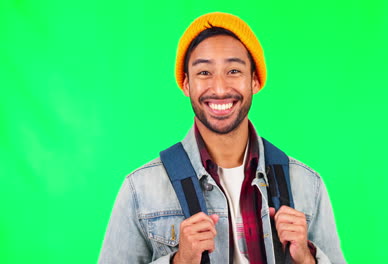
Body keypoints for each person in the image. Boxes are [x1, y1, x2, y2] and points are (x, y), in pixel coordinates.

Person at [98, 12, 346, 264]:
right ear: (186, 84)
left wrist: (308, 259)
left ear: (255, 80)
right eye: (204, 72)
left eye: (234, 70)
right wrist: (179, 261)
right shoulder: (140, 189)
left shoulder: (307, 185)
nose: (219, 89)